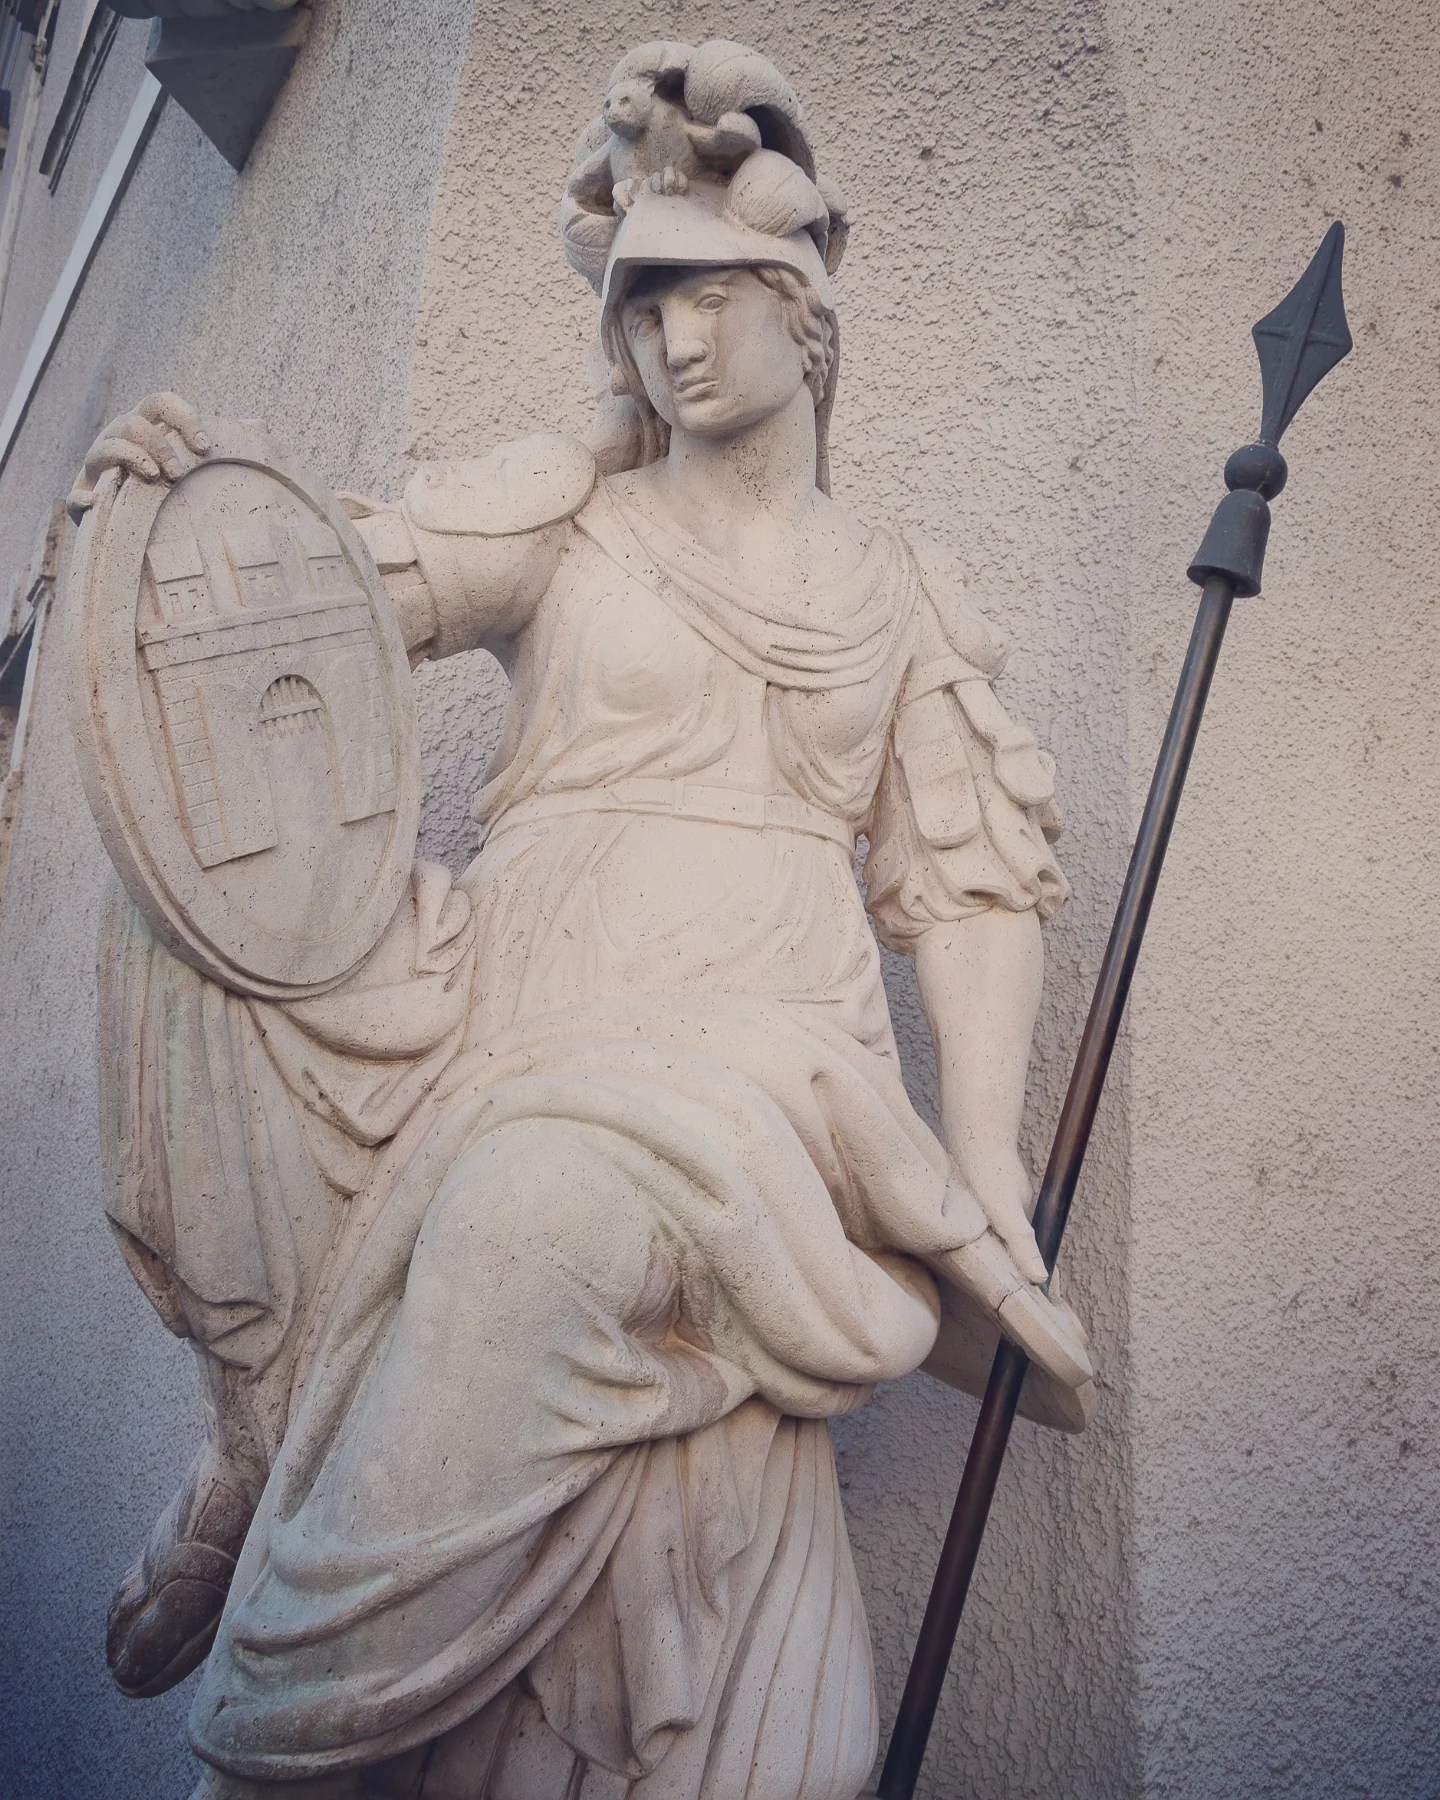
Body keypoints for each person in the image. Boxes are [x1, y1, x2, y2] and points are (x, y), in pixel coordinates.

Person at [73, 40, 1092, 1800]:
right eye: (640, 305)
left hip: (771, 1065)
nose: (672, 338)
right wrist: (178, 515)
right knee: (240, 966)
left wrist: (985, 1160)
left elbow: (970, 878)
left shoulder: (900, 590)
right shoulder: (571, 518)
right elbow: (309, 618)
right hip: (520, 1022)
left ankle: (276, 1704)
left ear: (805, 308)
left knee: (543, 1224)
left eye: (709, 292)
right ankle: (276, 1449)